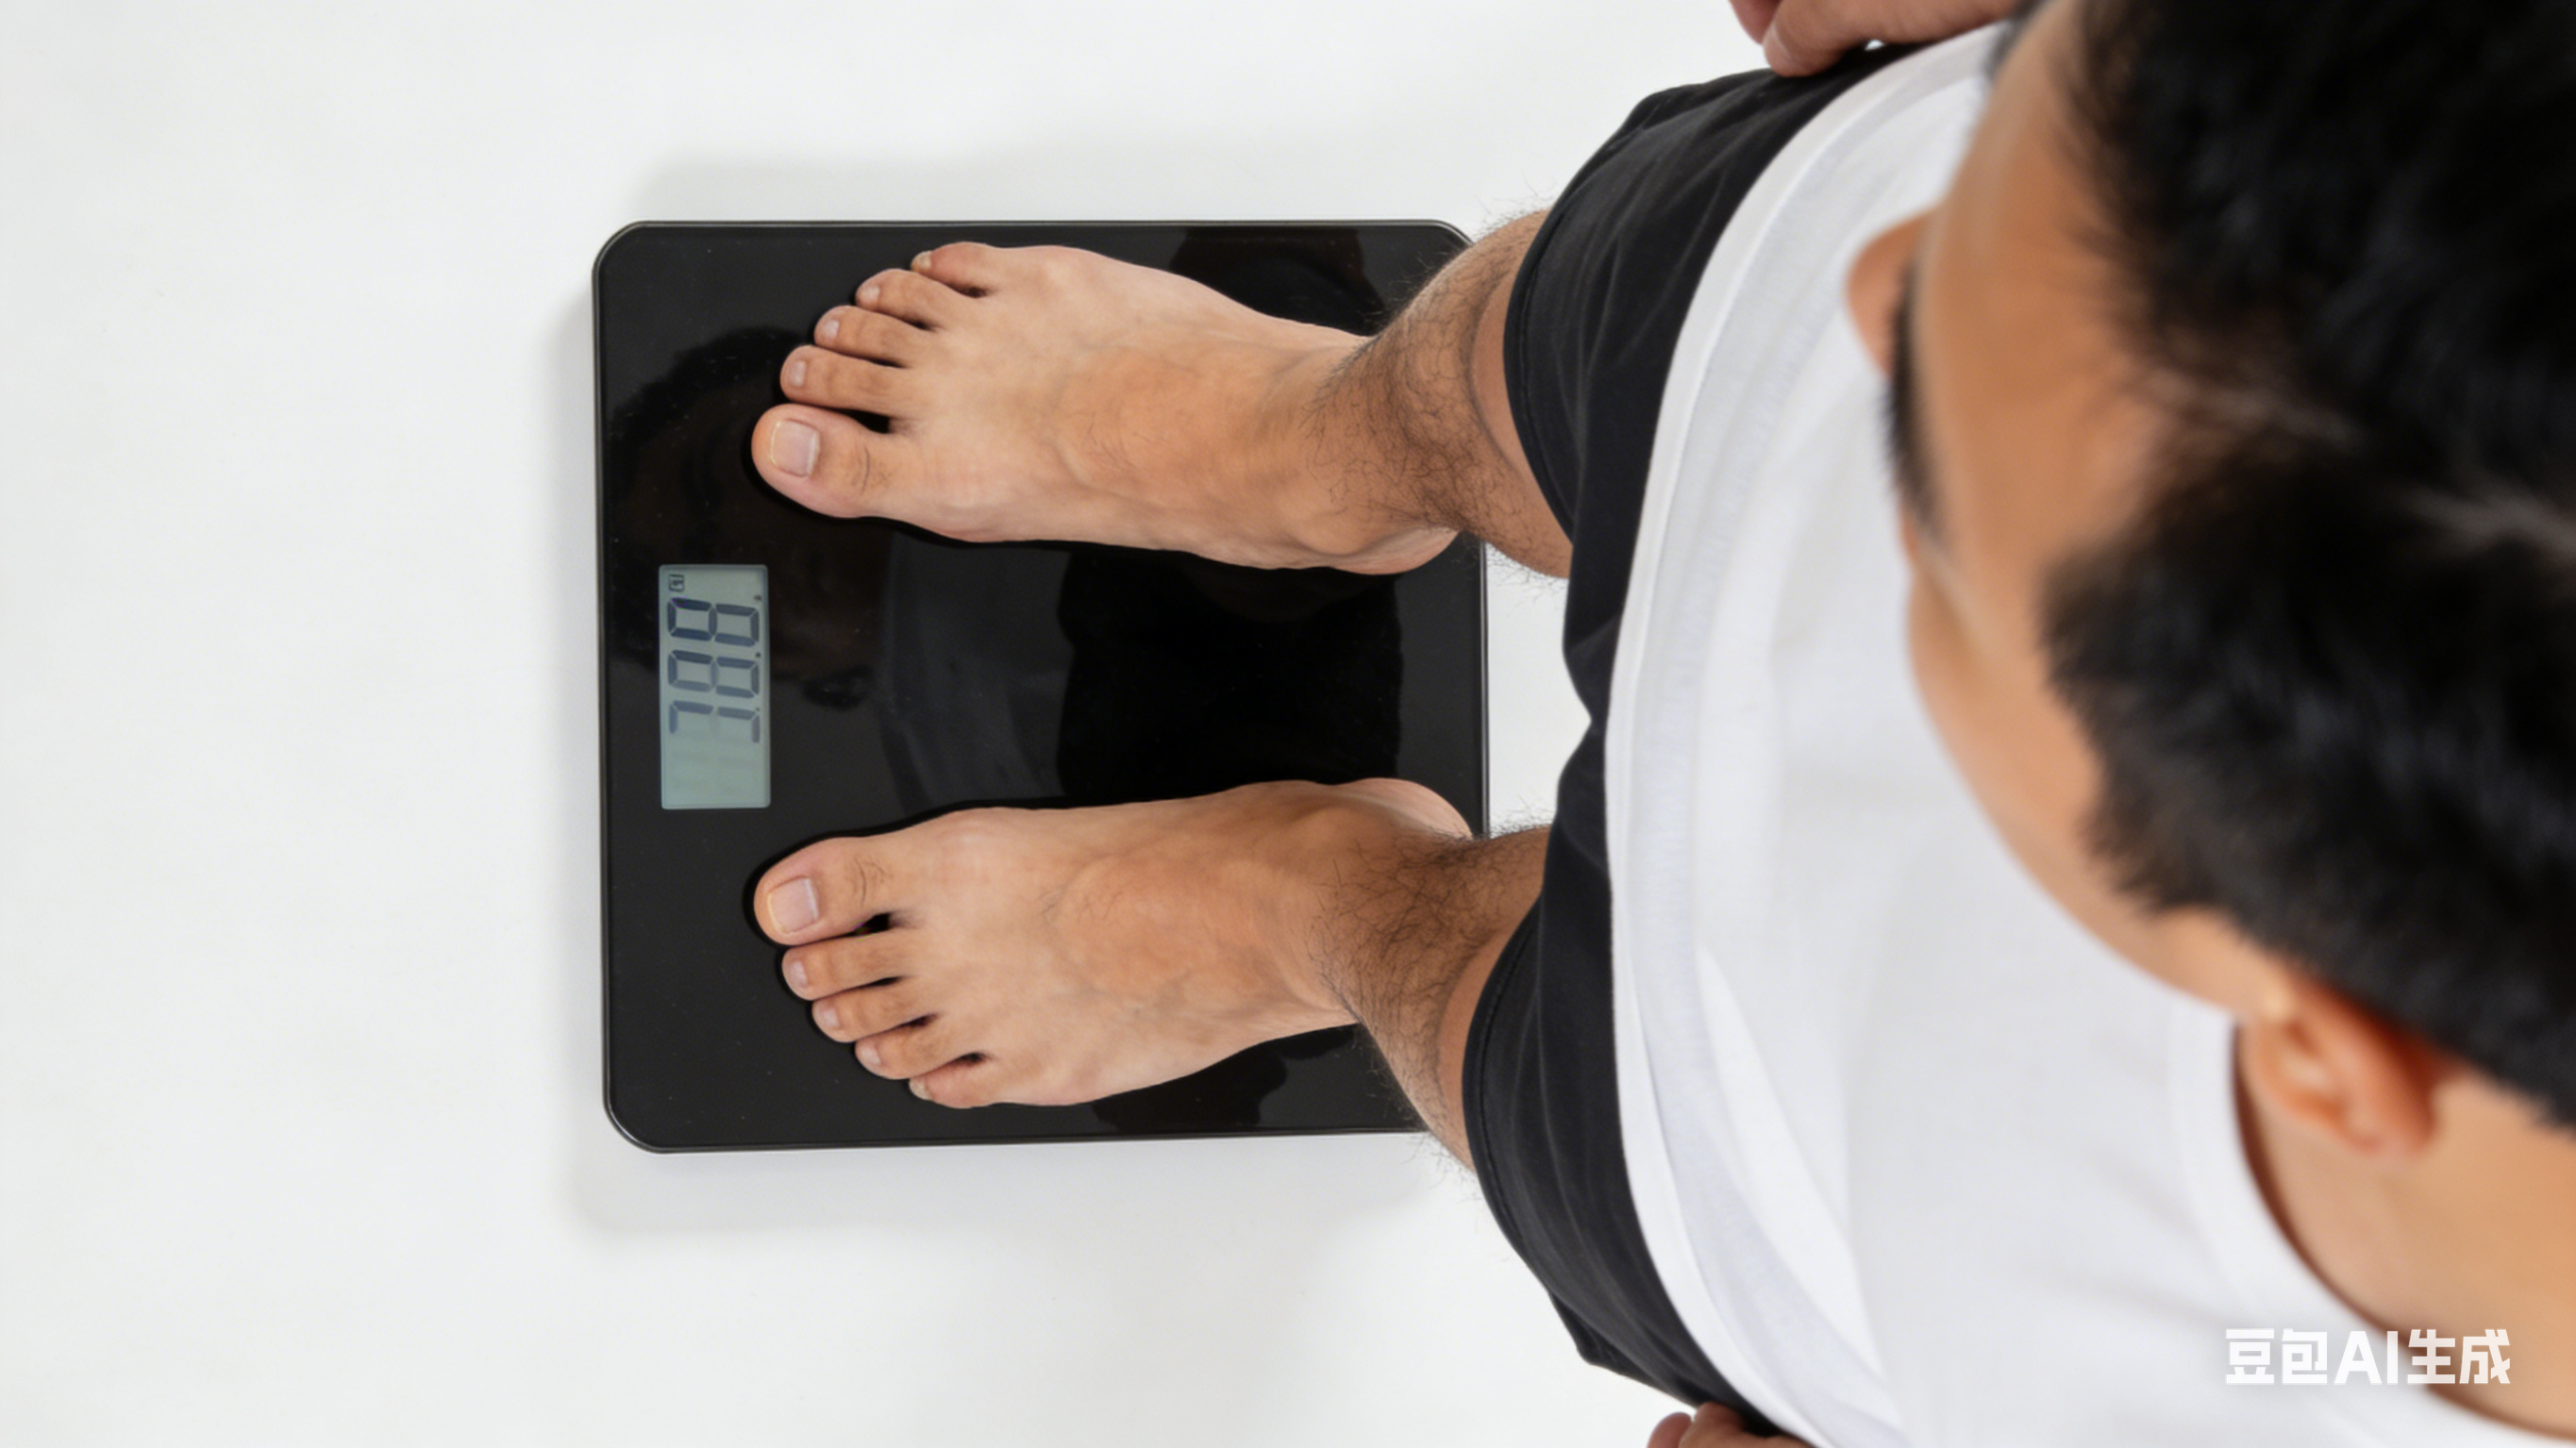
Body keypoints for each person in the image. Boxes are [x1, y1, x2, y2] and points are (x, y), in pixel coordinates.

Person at [735, 0, 2576, 1440]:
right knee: (1532, 357)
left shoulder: (2352, 1359)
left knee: (1462, 989)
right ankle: (1317, 445)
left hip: (1774, 1135)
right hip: (1734, 340)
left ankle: (1322, 899)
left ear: (2333, 1047)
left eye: (1925, 489)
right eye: (1948, 253)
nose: (1887, 294)